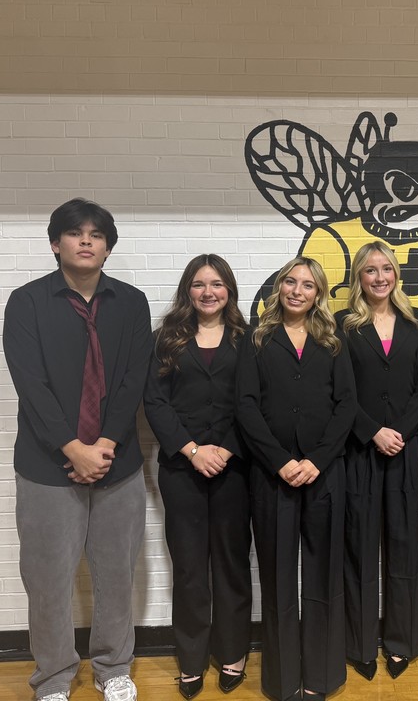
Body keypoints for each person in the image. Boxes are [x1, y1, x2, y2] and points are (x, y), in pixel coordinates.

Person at [3, 198, 152, 701]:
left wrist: (104, 445)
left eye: (96, 234)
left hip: (119, 463)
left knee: (115, 575)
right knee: (47, 581)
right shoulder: (26, 303)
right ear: (55, 243)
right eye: (75, 232)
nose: (86, 240)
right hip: (47, 467)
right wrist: (73, 448)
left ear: (108, 247)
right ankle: (53, 677)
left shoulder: (131, 303)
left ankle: (114, 668)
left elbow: (134, 380)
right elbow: (31, 385)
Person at [236, 257, 357, 701]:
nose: (297, 290)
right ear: (279, 286)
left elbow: (346, 405)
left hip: (324, 473)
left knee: (324, 575)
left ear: (318, 293)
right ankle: (283, 680)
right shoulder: (257, 339)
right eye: (291, 281)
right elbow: (246, 406)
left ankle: (321, 677)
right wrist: (280, 461)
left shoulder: (333, 340)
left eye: (308, 285)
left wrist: (318, 459)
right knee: (278, 576)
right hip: (273, 475)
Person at [143, 255, 252, 699]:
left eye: (218, 283)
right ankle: (191, 658)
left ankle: (232, 651)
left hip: (234, 469)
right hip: (181, 469)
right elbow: (154, 402)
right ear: (188, 290)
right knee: (188, 567)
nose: (209, 292)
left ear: (229, 290)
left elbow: (254, 402)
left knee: (231, 565)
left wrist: (223, 449)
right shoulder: (165, 339)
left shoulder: (249, 341)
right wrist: (192, 450)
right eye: (200, 284)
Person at [335, 243, 418, 682]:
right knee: (359, 547)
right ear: (359, 276)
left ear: (396, 274)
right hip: (360, 449)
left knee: (405, 546)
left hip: (406, 449)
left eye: (385, 269)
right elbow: (339, 391)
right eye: (370, 270)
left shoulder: (417, 321)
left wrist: (401, 433)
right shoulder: (343, 325)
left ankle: (401, 641)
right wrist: (372, 431)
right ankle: (359, 642)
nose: (378, 277)